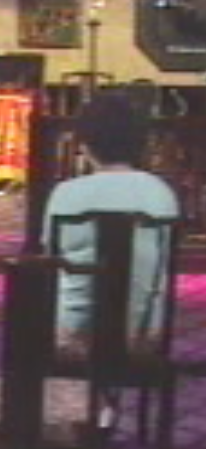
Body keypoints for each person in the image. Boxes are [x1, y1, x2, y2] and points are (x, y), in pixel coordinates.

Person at [42, 94, 180, 356]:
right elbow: (163, 266)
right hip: (142, 337)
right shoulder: (161, 193)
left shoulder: (66, 194)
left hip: (72, 337)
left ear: (84, 144)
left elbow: (49, 258)